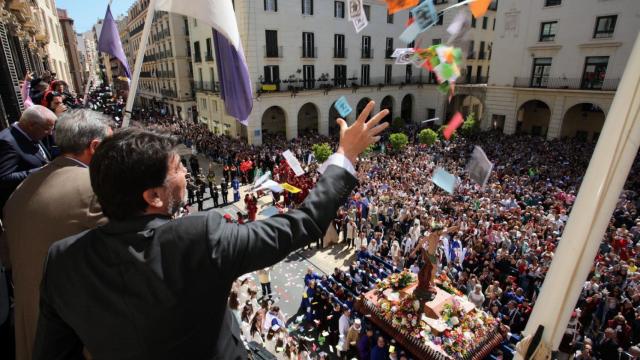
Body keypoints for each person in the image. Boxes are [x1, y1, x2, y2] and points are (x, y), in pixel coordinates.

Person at [32, 102, 389, 359]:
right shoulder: (199, 238)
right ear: (153, 196)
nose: (186, 174)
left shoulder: (62, 260)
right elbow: (305, 222)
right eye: (177, 169)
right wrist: (345, 155)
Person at [3, 110, 111, 360]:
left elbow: (7, 257)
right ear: (95, 147)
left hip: (32, 328)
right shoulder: (96, 186)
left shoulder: (22, 188)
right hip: (75, 334)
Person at [0, 105, 56, 212]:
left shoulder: (32, 134)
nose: (50, 133)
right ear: (31, 125)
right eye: (47, 129)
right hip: (21, 208)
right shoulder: (7, 142)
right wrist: (41, 170)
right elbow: (3, 178)